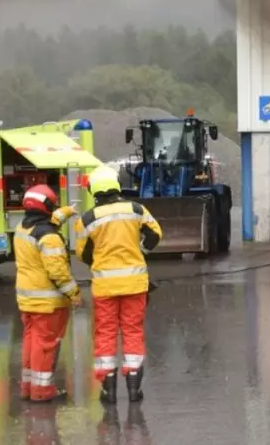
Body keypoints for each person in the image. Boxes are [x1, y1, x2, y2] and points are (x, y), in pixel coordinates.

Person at [74, 166, 163, 404]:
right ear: (115, 185)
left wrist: (101, 260)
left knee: (106, 334)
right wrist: (139, 251)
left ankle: (109, 391)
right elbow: (156, 234)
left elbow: (82, 253)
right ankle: (134, 389)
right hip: (135, 284)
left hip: (105, 287)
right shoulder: (136, 209)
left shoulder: (88, 219)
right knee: (133, 332)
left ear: (94, 190)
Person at [14, 184, 81, 402]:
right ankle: (42, 392)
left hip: (27, 300)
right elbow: (58, 273)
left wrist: (68, 211)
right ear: (47, 206)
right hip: (48, 303)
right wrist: (75, 294)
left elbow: (49, 220)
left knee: (31, 342)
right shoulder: (49, 237)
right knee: (45, 346)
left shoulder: (22, 229)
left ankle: (28, 388)